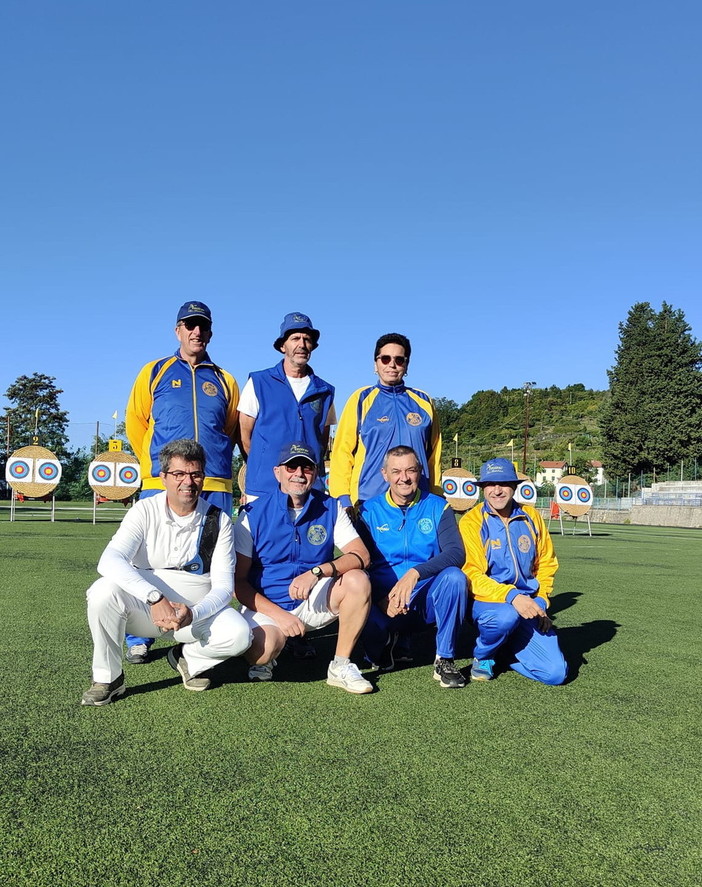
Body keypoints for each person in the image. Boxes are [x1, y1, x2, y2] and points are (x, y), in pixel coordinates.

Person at [81, 440, 252, 706]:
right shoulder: (144, 510)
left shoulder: (218, 520)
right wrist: (154, 598)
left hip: (193, 614)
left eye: (195, 474)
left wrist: (193, 613)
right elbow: (109, 560)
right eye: (179, 474)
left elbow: (222, 587)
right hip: (146, 610)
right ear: (163, 478)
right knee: (103, 591)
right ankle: (109, 678)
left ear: (203, 478)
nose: (188, 482)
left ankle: (187, 658)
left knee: (239, 635)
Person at [124, 300, 239, 664]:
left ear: (210, 332)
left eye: (203, 326)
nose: (196, 332)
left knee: (209, 568)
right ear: (177, 330)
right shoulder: (155, 371)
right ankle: (139, 635)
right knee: (148, 560)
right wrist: (153, 467)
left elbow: (231, 429)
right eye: (189, 325)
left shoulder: (224, 379)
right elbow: (136, 421)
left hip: (215, 483)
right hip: (163, 483)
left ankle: (199, 630)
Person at [234, 442, 374, 694]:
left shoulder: (330, 508)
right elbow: (238, 583)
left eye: (307, 467)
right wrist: (280, 616)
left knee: (358, 580)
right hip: (270, 604)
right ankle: (276, 645)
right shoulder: (252, 514)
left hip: (314, 598)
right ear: (278, 472)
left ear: (316, 473)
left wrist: (317, 572)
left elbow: (361, 555)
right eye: (292, 466)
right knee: (261, 654)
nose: (299, 473)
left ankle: (340, 664)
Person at [358, 446, 468, 689]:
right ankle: (387, 642)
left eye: (411, 470)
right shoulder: (367, 510)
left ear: (419, 472)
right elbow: (359, 561)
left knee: (454, 577)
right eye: (396, 471)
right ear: (384, 474)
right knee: (376, 657)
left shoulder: (439, 506)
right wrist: (378, 599)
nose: (404, 478)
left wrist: (415, 573)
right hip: (382, 603)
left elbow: (455, 553)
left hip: (422, 600)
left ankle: (445, 659)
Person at [459, 458, 567, 685]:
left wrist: (541, 600)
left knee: (555, 674)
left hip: (529, 604)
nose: (497, 490)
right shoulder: (472, 521)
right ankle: (485, 656)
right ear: (482, 488)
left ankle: (505, 650)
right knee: (505, 617)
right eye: (490, 484)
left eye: (504, 483)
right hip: (489, 602)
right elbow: (471, 574)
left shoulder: (532, 516)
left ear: (514, 486)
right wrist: (512, 596)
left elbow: (546, 563)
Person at [329, 332, 442, 510]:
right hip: (369, 503)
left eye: (399, 359)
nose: (392, 364)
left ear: (406, 365)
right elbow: (342, 452)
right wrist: (343, 498)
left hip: (418, 502)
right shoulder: (360, 399)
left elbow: (434, 456)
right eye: (385, 358)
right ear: (375, 364)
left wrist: (436, 496)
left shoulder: (424, 401)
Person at [238, 311, 335, 499]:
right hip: (264, 488)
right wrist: (266, 465)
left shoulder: (325, 391)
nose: (302, 344)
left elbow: (322, 440)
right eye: (295, 338)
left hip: (308, 487)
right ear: (283, 345)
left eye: (307, 339)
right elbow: (245, 437)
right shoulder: (258, 382)